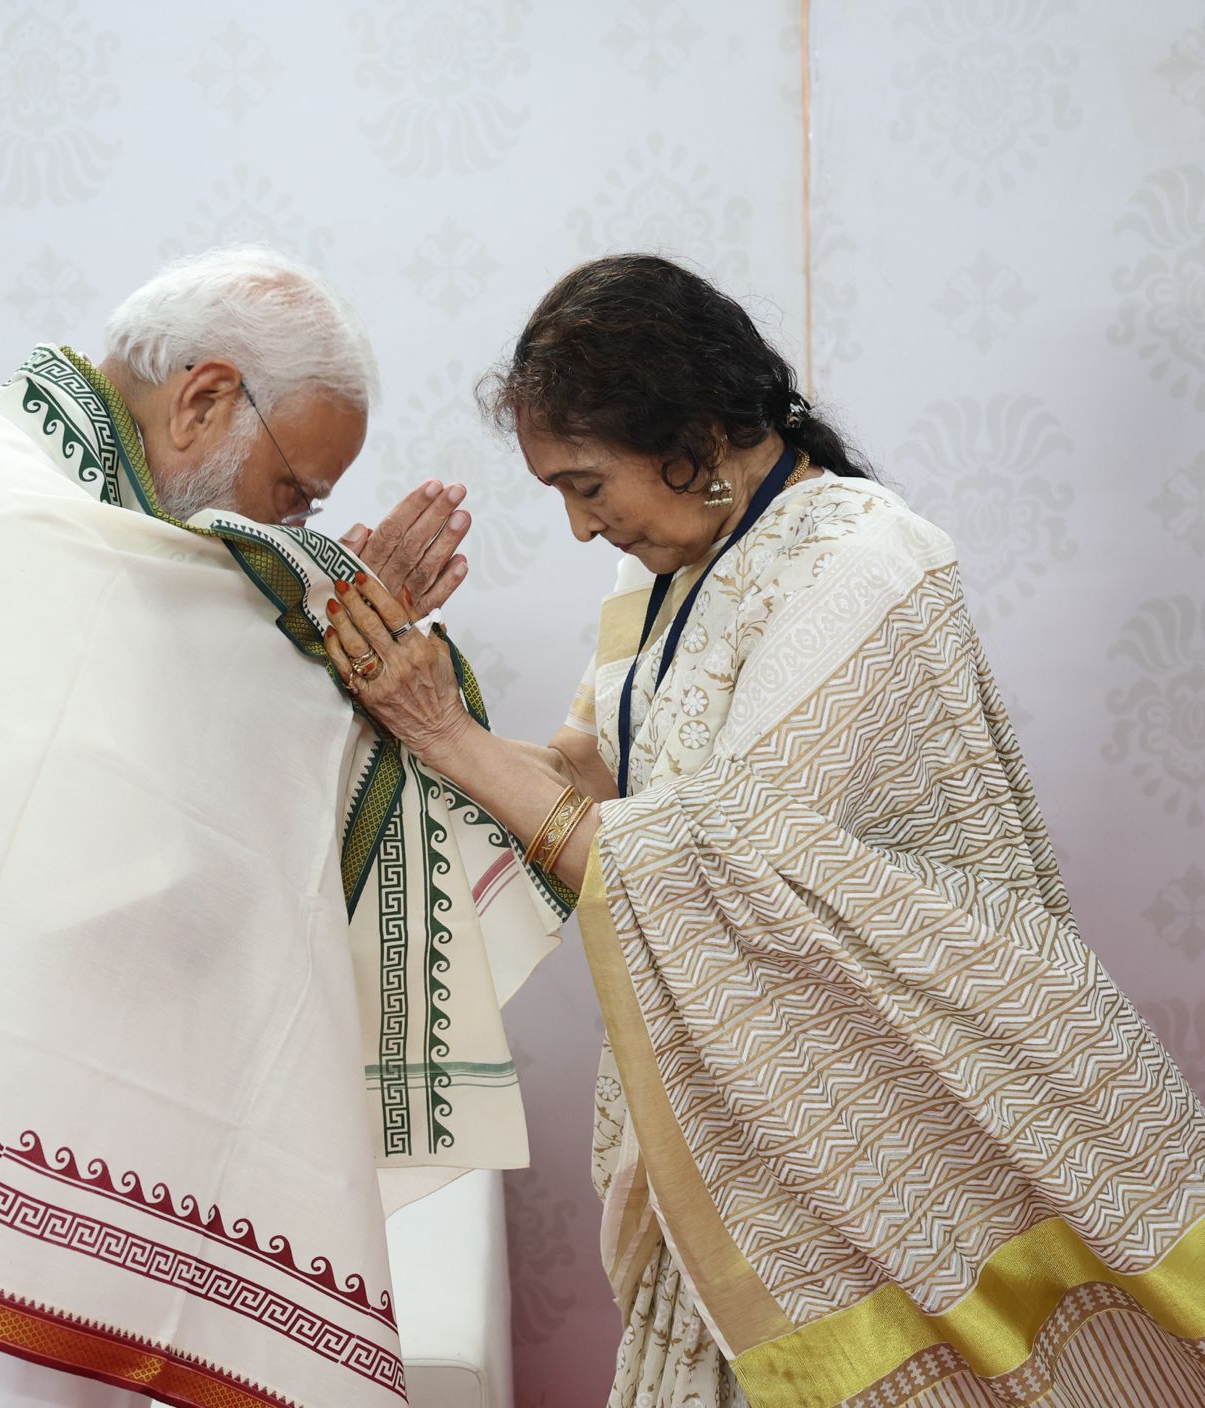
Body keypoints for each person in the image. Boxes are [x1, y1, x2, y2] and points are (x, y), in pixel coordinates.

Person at [0, 245, 564, 1408]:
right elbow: (136, 858)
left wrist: (319, 620)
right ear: (205, 397)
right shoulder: (9, 516)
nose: (300, 518)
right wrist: (312, 619)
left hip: (22, 1128)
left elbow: (184, 771)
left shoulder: (66, 516)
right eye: (298, 491)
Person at [325, 253, 1205, 1408]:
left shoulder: (860, 562)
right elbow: (588, 803)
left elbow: (711, 867)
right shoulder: (674, 594)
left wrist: (442, 731)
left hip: (901, 1128)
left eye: (588, 486)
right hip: (740, 1128)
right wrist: (385, 671)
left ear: (688, 431)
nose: (585, 529)